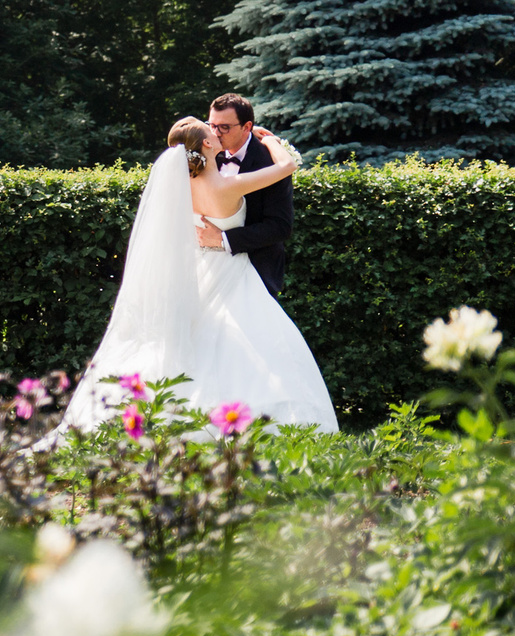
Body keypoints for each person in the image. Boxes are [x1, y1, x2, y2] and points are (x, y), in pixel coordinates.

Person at [65, 118, 337, 435]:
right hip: (232, 272)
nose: (215, 130)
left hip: (197, 271)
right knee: (255, 346)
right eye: (210, 129)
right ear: (206, 144)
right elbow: (287, 166)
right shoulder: (228, 186)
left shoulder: (181, 188)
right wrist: (270, 139)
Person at [195, 92, 293, 297]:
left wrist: (223, 239)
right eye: (211, 125)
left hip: (255, 271)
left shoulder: (271, 163)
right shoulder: (206, 153)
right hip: (208, 268)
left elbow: (280, 226)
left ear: (246, 127)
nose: (216, 133)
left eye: (224, 127)